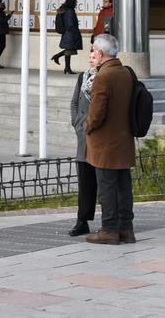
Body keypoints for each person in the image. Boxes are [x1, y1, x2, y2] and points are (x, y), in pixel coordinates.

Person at [84, 34, 137, 245]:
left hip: (105, 142)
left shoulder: (103, 76)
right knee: (123, 185)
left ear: (100, 53)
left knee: (106, 186)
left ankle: (109, 229)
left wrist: (88, 126)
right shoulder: (125, 72)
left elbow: (97, 112)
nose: (92, 54)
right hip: (124, 139)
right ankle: (126, 228)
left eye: (94, 50)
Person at [68, 63, 99, 236]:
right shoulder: (83, 77)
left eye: (94, 54)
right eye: (91, 54)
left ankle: (110, 222)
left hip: (100, 135)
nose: (92, 58)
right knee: (84, 179)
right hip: (83, 136)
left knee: (103, 181)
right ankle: (82, 221)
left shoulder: (107, 77)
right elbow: (74, 102)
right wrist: (77, 123)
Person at [52, 0, 83, 75]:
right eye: (75, 1)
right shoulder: (70, 11)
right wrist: (75, 32)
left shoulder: (63, 10)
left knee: (69, 50)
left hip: (66, 33)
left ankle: (66, 67)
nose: (76, 3)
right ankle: (62, 62)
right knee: (70, 49)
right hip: (71, 33)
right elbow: (70, 24)